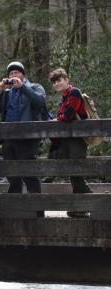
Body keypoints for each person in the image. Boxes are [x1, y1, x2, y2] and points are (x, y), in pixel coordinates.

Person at [0, 62, 46, 203]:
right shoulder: (7, 93)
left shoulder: (35, 87)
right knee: (11, 173)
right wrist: (0, 91)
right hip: (8, 138)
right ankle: (15, 207)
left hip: (28, 138)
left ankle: (37, 208)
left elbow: (40, 103)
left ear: (23, 74)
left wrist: (23, 87)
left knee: (29, 173)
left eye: (16, 72)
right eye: (11, 74)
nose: (13, 75)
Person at [48, 68, 92, 218]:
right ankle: (79, 208)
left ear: (66, 80)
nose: (57, 84)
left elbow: (67, 116)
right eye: (54, 82)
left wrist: (58, 117)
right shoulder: (63, 98)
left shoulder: (74, 92)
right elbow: (63, 115)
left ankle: (91, 202)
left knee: (76, 172)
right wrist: (60, 116)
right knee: (72, 173)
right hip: (67, 140)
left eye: (59, 80)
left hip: (78, 140)